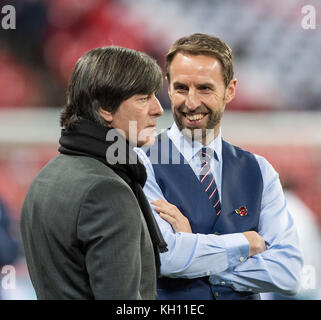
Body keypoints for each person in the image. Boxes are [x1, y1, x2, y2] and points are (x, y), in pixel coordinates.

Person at [136, 33, 303, 300]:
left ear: (230, 90)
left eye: (204, 88)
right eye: (181, 88)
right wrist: (246, 243)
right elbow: (166, 258)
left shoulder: (260, 171)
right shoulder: (140, 162)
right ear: (167, 88)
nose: (191, 102)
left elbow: (289, 273)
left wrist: (198, 254)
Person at [20, 46, 167, 300]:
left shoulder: (46, 177)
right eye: (143, 98)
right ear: (105, 108)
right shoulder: (107, 191)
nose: (158, 109)